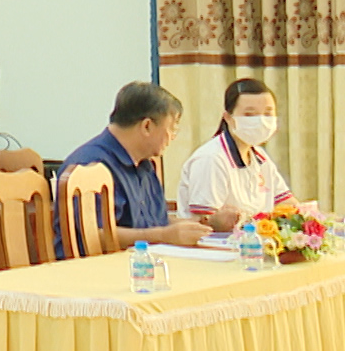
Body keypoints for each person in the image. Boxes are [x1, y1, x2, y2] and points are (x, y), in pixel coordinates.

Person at [62, 81, 208, 249]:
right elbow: (95, 235)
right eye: (172, 129)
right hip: (99, 263)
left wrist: (196, 227)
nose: (173, 137)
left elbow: (154, 221)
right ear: (147, 126)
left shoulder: (144, 163)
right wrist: (163, 236)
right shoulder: (90, 165)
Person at [178, 78, 294, 232]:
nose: (261, 121)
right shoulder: (211, 159)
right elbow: (202, 222)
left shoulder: (260, 156)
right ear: (228, 118)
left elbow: (287, 204)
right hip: (215, 243)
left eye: (268, 113)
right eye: (249, 114)